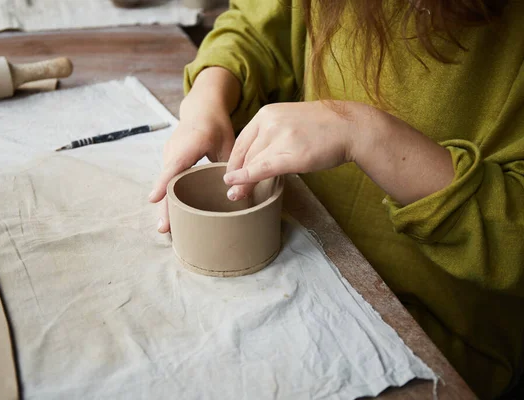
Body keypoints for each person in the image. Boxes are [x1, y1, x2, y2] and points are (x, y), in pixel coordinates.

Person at [147, 0, 524, 398]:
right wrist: (209, 95)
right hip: (306, 259)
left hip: (442, 335)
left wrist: (368, 134)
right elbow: (257, 26)